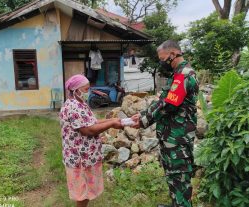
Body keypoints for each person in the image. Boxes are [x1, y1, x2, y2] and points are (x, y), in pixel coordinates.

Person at [131, 40, 199, 207]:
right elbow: (163, 100)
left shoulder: (184, 74)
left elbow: (169, 105)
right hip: (172, 137)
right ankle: (176, 204)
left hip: (178, 139)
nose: (161, 63)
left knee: (179, 177)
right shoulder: (176, 74)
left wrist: (144, 120)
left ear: (173, 54)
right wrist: (142, 114)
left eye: (162, 59)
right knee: (173, 177)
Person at [59, 74, 123, 207]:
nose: (89, 92)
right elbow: (88, 130)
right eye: (86, 89)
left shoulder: (80, 104)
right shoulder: (73, 107)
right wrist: (111, 124)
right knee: (82, 193)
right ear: (76, 90)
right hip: (79, 159)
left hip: (86, 157)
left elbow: (92, 122)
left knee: (86, 192)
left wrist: (113, 120)